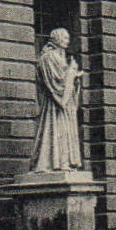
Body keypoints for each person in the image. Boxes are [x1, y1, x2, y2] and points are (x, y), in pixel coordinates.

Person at [30, 27, 83, 172]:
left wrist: (74, 77)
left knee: (64, 132)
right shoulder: (48, 57)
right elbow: (56, 83)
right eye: (65, 38)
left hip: (64, 106)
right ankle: (54, 163)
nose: (68, 41)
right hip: (54, 105)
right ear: (57, 39)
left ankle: (64, 163)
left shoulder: (59, 57)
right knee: (55, 130)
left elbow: (64, 80)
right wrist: (72, 71)